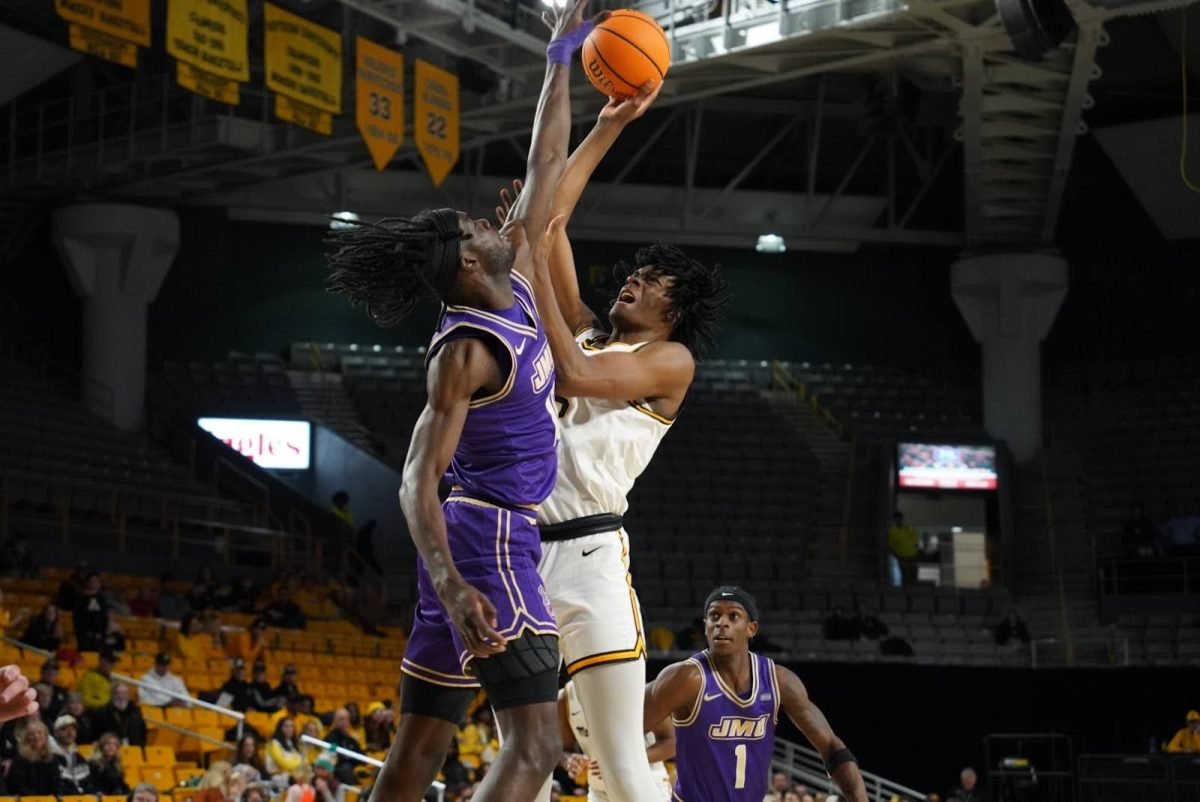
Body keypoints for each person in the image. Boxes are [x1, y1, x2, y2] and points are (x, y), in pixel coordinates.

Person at [325, 4, 592, 799]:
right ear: (468, 266)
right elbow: (414, 479)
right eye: (478, 227)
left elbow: (546, 158)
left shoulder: (510, 279)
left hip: (476, 545)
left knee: (417, 754)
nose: (489, 219)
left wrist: (560, 54)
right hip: (490, 545)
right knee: (537, 746)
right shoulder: (468, 350)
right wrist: (450, 581)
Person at [493, 62, 726, 802]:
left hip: (591, 557)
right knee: (522, 755)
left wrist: (532, 278)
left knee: (624, 764)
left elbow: (572, 378)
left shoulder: (668, 361)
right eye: (638, 271)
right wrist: (605, 126)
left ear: (677, 308)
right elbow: (550, 223)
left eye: (657, 280)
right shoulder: (592, 333)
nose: (638, 279)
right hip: (522, 551)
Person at [644, 587, 868, 802]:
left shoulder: (778, 681)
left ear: (752, 628)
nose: (721, 623)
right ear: (705, 626)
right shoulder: (685, 678)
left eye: (733, 616)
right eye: (714, 616)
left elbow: (832, 748)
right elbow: (624, 726)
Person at [557, 678, 675, 801]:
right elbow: (564, 750)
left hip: (647, 781)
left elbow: (671, 742)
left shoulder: (634, 684)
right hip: (600, 791)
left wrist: (628, 759)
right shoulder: (565, 698)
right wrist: (570, 761)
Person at [8, 717, 62, 795]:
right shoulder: (20, 760)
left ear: (46, 736)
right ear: (26, 738)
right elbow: (18, 787)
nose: (36, 737)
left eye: (39, 733)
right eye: (31, 734)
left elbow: (57, 785)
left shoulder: (52, 758)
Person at [51, 713, 97, 793]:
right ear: (56, 733)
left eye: (73, 729)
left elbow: (88, 783)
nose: (70, 732)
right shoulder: (50, 757)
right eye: (64, 729)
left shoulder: (79, 757)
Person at [324, 707, 364, 786]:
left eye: (347, 719)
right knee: (345, 768)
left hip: (352, 768)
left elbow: (361, 756)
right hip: (338, 770)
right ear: (335, 721)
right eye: (341, 719)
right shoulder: (330, 739)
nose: (345, 722)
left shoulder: (351, 740)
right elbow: (332, 758)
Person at [266, 718, 304, 786]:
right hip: (277, 778)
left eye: (291, 726)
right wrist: (297, 763)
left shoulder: (292, 744)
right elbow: (284, 763)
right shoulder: (274, 743)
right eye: (286, 726)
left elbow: (301, 762)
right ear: (280, 728)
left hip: (292, 777)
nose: (289, 729)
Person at [888, 511, 919, 587]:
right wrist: (897, 556)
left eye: (899, 518)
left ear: (902, 519)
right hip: (901, 556)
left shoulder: (909, 529)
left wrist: (915, 553)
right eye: (896, 519)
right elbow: (891, 546)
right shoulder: (892, 532)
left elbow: (916, 542)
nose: (898, 520)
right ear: (894, 520)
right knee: (904, 574)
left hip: (912, 555)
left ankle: (914, 589)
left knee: (913, 573)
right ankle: (905, 590)